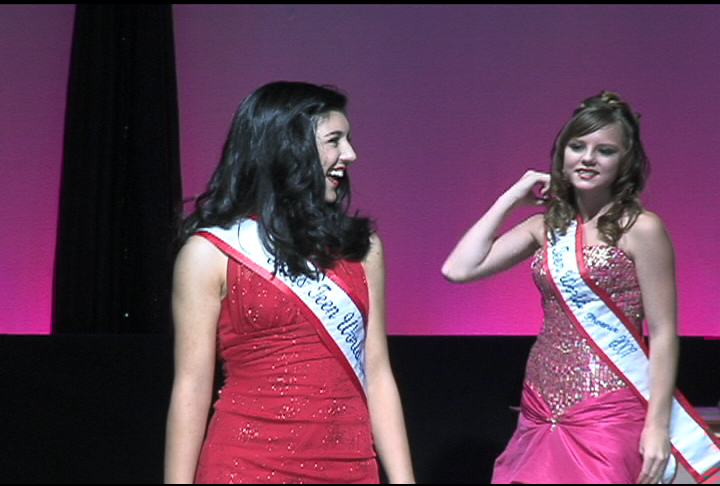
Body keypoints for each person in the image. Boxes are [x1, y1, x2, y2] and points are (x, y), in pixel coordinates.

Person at [442, 91, 720, 484]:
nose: (587, 158)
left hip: (609, 407)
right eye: (577, 147)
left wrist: (657, 427)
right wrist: (511, 197)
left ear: (625, 161)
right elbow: (458, 269)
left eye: (604, 150)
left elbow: (662, 334)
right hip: (541, 402)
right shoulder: (545, 226)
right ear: (561, 154)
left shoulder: (641, 228)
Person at [164, 81, 415, 484]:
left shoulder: (362, 248)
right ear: (286, 147)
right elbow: (192, 387)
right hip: (244, 468)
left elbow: (378, 371)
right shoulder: (209, 253)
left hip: (350, 468)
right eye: (335, 140)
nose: (350, 154)